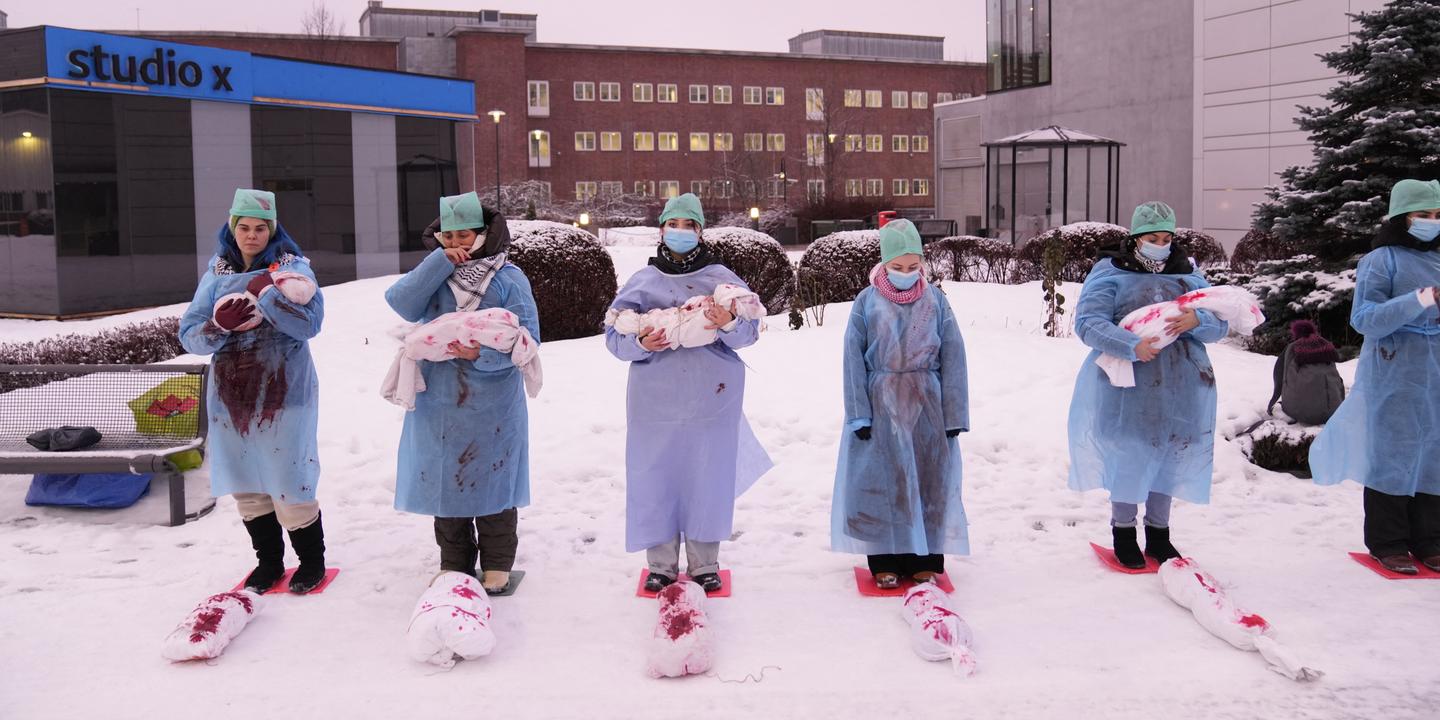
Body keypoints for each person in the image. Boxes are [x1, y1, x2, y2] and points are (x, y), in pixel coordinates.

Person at [605, 193, 772, 593]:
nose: (680, 232)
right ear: (661, 229)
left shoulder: (723, 279)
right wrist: (643, 343)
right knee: (655, 477)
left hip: (711, 398)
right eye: (673, 224)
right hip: (654, 400)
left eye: (689, 225)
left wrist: (729, 321)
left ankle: (704, 563)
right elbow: (614, 337)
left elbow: (750, 333)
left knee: (706, 476)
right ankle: (660, 563)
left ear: (700, 232)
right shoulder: (641, 282)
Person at [384, 191, 539, 593]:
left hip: (493, 402)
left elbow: (528, 340)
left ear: (485, 234)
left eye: (464, 236)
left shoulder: (508, 277)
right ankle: (453, 561)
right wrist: (437, 263)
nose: (456, 244)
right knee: (445, 480)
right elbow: (401, 303)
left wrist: (483, 353)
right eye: (447, 237)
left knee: (493, 478)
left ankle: (497, 563)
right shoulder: (436, 273)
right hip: (439, 398)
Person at [178, 188, 329, 594]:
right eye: (244, 227)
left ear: (272, 230)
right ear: (232, 228)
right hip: (232, 398)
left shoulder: (293, 270)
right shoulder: (215, 277)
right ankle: (269, 563)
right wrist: (218, 326)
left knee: (289, 477)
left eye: (260, 228)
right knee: (246, 483)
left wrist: (268, 295)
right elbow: (190, 336)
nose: (252, 235)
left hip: (285, 394)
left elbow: (309, 325)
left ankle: (311, 562)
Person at [1067, 201, 1230, 569]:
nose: (1162, 244)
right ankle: (1123, 532)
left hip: (1182, 383)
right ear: (1135, 238)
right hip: (1128, 383)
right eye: (1153, 238)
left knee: (1168, 455)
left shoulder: (1188, 273)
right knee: (1131, 453)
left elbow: (1220, 323)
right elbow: (1089, 322)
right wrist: (1130, 346)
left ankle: (1159, 535)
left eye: (1167, 237)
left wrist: (1197, 321)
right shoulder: (1111, 271)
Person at [1310, 179, 1440, 575]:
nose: (1431, 222)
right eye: (1423, 215)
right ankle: (1389, 542)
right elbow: (1365, 319)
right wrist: (1421, 299)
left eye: (1437, 215)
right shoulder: (1382, 260)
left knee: (1434, 452)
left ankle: (1431, 540)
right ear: (1402, 218)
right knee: (1393, 451)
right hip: (1395, 366)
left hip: (1435, 368)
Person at [830, 219, 969, 589]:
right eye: (897, 267)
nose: (906, 274)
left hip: (928, 402)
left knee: (928, 479)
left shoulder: (936, 300)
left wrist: (954, 414)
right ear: (884, 263)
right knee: (883, 480)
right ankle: (884, 558)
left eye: (913, 267)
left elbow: (954, 356)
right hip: (881, 400)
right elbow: (852, 359)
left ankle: (924, 558)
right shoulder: (867, 301)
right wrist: (859, 413)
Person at [1265, 319, 1344, 425]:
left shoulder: (1292, 348)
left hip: (1300, 413)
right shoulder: (1324, 345)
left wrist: (1273, 402)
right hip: (1334, 410)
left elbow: (1279, 376)